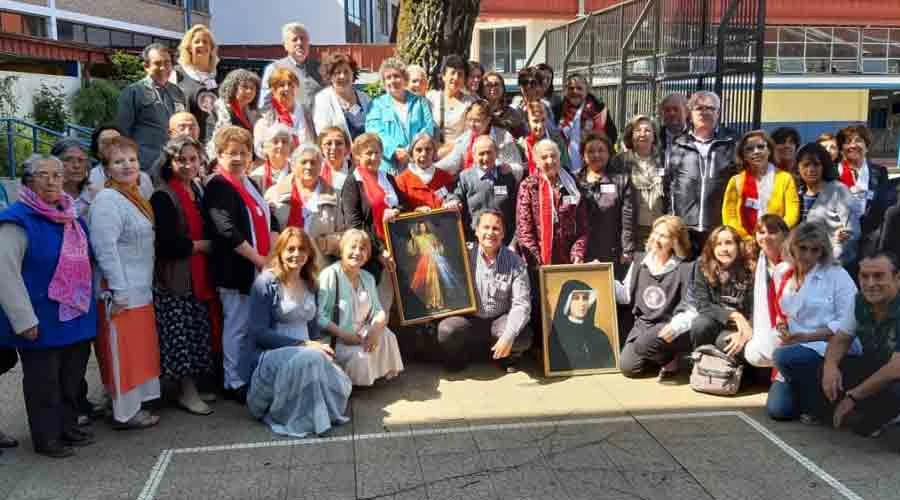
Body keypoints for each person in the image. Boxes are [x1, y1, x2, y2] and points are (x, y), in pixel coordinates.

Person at [0, 154, 97, 457]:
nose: (52, 181)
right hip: (40, 317)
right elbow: (5, 272)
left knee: (71, 377)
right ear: (28, 180)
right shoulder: (17, 220)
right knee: (44, 384)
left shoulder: (70, 215)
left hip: (75, 316)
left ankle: (68, 427)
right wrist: (23, 320)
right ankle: (47, 437)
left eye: (57, 175)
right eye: (43, 175)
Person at [243, 228, 351, 437]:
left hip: (307, 351)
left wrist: (321, 347)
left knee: (335, 375)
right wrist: (305, 345)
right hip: (272, 353)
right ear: (280, 252)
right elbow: (259, 334)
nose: (296, 254)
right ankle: (298, 416)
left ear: (309, 253)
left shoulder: (311, 283)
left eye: (302, 249)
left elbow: (312, 329)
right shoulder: (265, 283)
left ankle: (312, 413)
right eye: (290, 249)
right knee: (311, 357)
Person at [88, 136, 161, 429]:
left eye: (131, 160)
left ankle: (134, 406)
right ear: (106, 169)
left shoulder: (132, 196)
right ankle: (125, 412)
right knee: (122, 354)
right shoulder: (107, 201)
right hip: (120, 293)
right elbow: (105, 249)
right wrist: (118, 291)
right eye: (118, 162)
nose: (127, 166)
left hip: (139, 289)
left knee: (135, 351)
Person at [204, 126, 279, 402]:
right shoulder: (218, 185)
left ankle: (248, 373)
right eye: (231, 153)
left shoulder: (250, 182)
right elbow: (226, 229)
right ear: (219, 155)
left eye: (243, 153)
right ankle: (233, 381)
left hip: (259, 266)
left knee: (252, 325)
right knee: (236, 326)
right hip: (236, 270)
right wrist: (259, 259)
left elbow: (271, 217)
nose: (237, 158)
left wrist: (271, 253)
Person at [793, 251, 900, 437]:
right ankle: (871, 414)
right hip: (879, 367)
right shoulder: (859, 300)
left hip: (894, 373)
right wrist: (830, 367)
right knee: (827, 371)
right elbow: (841, 338)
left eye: (878, 276)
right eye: (864, 276)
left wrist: (853, 396)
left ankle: (883, 415)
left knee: (895, 390)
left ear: (897, 278)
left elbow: (896, 367)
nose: (870, 283)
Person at [149, 136, 215, 416]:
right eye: (181, 160)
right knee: (182, 337)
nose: (188, 165)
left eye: (193, 159)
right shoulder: (163, 195)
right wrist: (200, 246)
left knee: (198, 332)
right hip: (177, 277)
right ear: (170, 162)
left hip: (198, 274)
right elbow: (165, 244)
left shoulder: (197, 189)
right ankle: (186, 392)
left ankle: (195, 387)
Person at [768, 222, 857, 421]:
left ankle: (820, 404)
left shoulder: (837, 275)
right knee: (779, 411)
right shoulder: (781, 272)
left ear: (823, 251)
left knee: (783, 357)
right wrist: (782, 326)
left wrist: (809, 337)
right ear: (792, 247)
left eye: (815, 250)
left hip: (831, 344)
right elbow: (781, 312)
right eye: (803, 248)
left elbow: (849, 320)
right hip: (794, 347)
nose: (808, 255)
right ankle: (812, 396)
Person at [436, 209, 532, 372]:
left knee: (522, 337)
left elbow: (521, 304)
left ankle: (507, 357)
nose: (490, 233)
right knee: (447, 330)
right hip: (469, 319)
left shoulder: (516, 263)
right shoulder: (462, 253)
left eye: (496, 229)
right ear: (476, 231)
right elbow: (436, 249)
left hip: (499, 319)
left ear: (503, 234)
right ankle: (460, 356)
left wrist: (508, 336)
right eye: (485, 227)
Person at [317, 229, 404, 386]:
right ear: (342, 249)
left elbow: (378, 311)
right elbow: (318, 315)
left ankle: (374, 375)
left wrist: (375, 330)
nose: (357, 252)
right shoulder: (329, 275)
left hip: (361, 333)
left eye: (363, 248)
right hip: (337, 338)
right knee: (360, 357)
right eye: (353, 247)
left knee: (387, 335)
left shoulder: (367, 278)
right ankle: (354, 382)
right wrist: (343, 334)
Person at [615, 215, 694, 380]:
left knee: (645, 345)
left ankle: (668, 356)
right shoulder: (639, 261)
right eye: (655, 233)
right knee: (629, 367)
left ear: (675, 242)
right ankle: (664, 360)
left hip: (667, 325)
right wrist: (601, 279)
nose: (656, 239)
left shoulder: (685, 268)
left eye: (664, 236)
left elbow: (692, 308)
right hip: (643, 325)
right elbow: (626, 296)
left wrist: (676, 326)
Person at [341, 133, 407, 310]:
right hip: (369, 258)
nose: (374, 157)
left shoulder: (389, 178)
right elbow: (354, 224)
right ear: (357, 156)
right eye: (368, 153)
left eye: (377, 153)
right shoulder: (353, 182)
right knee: (369, 309)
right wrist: (379, 251)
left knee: (390, 307)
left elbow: (403, 204)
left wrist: (395, 211)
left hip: (394, 250)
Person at [667, 91, 739, 252]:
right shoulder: (679, 143)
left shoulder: (731, 143)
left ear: (718, 113)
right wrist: (672, 220)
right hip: (685, 228)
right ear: (689, 113)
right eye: (699, 108)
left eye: (710, 108)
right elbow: (671, 185)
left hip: (718, 228)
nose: (704, 112)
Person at [266, 144, 344, 269]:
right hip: (282, 268)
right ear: (294, 165)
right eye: (304, 162)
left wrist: (325, 243)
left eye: (313, 162)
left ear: (321, 166)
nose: (309, 166)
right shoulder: (274, 194)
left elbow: (346, 234)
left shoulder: (336, 197)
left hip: (319, 268)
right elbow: (265, 231)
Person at [685, 225, 755, 358]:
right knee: (700, 325)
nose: (724, 249)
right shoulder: (702, 265)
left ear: (738, 245)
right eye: (718, 244)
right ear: (712, 248)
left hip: (740, 328)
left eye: (729, 243)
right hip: (715, 322)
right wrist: (734, 315)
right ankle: (700, 366)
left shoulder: (750, 268)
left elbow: (756, 307)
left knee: (731, 346)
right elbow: (702, 304)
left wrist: (747, 329)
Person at [516, 139, 587, 268]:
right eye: (544, 157)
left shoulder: (572, 184)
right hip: (539, 263)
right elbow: (524, 229)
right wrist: (537, 262)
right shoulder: (529, 186)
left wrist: (577, 253)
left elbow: (583, 225)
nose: (550, 161)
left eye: (553, 156)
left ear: (559, 158)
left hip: (569, 262)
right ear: (536, 162)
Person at [116, 43, 186, 169]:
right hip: (146, 165)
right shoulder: (133, 92)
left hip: (175, 164)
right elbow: (122, 133)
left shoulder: (178, 93)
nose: (163, 67)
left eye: (167, 62)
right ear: (146, 67)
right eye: (158, 63)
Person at [721, 130, 799, 241]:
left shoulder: (785, 178)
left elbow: (792, 213)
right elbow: (729, 216)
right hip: (745, 243)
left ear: (769, 151)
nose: (756, 152)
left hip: (777, 240)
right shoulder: (736, 181)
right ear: (743, 155)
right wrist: (746, 238)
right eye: (749, 149)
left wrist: (773, 233)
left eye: (761, 147)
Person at [365, 57, 435, 174]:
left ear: (405, 79)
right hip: (388, 166)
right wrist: (394, 150)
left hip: (417, 163)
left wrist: (411, 150)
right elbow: (374, 132)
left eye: (397, 76)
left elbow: (427, 128)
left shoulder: (420, 102)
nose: (393, 81)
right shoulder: (376, 104)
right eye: (388, 77)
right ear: (384, 82)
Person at [444, 135, 518, 245]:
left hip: (503, 241)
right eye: (481, 154)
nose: (486, 158)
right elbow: (454, 195)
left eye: (489, 152)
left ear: (496, 153)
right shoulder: (465, 177)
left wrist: (513, 243)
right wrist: (453, 201)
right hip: (474, 241)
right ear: (474, 156)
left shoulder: (506, 177)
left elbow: (516, 211)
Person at [836, 124, 896, 260]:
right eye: (847, 142)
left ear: (866, 145)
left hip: (871, 238)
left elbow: (885, 205)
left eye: (858, 140)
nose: (852, 145)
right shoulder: (834, 172)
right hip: (842, 238)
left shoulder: (879, 172)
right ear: (841, 149)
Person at [577, 132, 635, 265]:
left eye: (601, 150)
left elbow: (628, 220)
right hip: (581, 256)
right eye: (590, 151)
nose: (596, 155)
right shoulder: (573, 182)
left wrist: (626, 249)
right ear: (583, 156)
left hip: (612, 254)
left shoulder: (622, 181)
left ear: (609, 154)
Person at [795, 143, 856, 263]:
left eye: (816, 164)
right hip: (802, 263)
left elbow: (852, 232)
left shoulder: (838, 190)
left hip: (832, 263)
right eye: (806, 165)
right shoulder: (797, 193)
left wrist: (831, 259)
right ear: (798, 167)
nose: (811, 169)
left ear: (824, 166)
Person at [743, 214, 790, 368]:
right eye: (761, 232)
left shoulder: (795, 262)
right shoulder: (753, 261)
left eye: (772, 232)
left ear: (785, 234)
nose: (766, 237)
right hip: (761, 329)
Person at [609, 115, 664, 246]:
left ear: (654, 135)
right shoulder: (620, 161)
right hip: (633, 230)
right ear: (630, 135)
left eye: (647, 130)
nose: (643, 134)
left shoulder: (664, 159)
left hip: (660, 229)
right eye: (638, 130)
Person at [435, 100, 524, 179]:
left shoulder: (504, 137)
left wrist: (506, 168)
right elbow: (453, 161)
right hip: (471, 184)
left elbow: (518, 169)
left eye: (477, 121)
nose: (472, 124)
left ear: (488, 120)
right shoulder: (466, 137)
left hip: (498, 186)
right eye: (469, 120)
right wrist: (432, 169)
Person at [552, 73, 617, 173]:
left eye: (579, 88)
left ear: (586, 90)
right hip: (564, 169)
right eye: (571, 88)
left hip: (592, 168)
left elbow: (612, 136)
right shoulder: (558, 110)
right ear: (565, 90)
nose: (575, 91)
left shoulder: (598, 109)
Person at [549, 280, 615, 371]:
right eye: (576, 298)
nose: (582, 303)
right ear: (567, 302)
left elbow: (609, 366)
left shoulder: (600, 335)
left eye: (585, 298)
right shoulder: (556, 336)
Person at [258, 22, 324, 111]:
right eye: (294, 39)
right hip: (289, 123)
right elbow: (265, 105)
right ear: (285, 45)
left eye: (303, 39)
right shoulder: (275, 68)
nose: (299, 43)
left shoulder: (321, 68)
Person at [173, 25, 219, 144]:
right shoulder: (177, 73)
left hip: (213, 142)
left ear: (211, 48)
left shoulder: (216, 76)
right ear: (189, 47)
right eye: (197, 42)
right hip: (187, 142)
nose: (201, 45)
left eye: (205, 42)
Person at [254, 67, 315, 152]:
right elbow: (259, 149)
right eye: (281, 85)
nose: (287, 88)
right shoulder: (266, 115)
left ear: (296, 87)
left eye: (290, 84)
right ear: (273, 90)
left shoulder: (306, 111)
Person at [312, 53, 371, 141]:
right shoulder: (323, 99)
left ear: (353, 73)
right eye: (337, 73)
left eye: (346, 71)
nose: (342, 76)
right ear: (330, 76)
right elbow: (323, 132)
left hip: (366, 151)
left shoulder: (364, 97)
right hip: (339, 152)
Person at [395, 132, 456, 210]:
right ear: (411, 153)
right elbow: (400, 210)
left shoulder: (446, 178)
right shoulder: (401, 181)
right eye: (418, 150)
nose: (423, 154)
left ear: (434, 153)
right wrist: (415, 211)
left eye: (428, 149)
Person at [427, 55, 477, 146]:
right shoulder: (431, 98)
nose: (456, 78)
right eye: (452, 73)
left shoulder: (470, 103)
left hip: (457, 151)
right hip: (431, 151)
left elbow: (468, 135)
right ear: (443, 76)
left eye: (460, 74)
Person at [209, 69, 261, 156]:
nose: (249, 91)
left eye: (252, 88)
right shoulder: (219, 109)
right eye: (244, 87)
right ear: (233, 88)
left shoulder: (253, 114)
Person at [518, 101, 570, 176]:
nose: (540, 126)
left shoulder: (557, 140)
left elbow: (566, 167)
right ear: (527, 122)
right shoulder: (522, 145)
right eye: (535, 121)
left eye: (543, 120)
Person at [250, 124, 296, 193]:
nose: (280, 145)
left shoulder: (297, 172)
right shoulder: (256, 176)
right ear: (265, 148)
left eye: (284, 142)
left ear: (290, 148)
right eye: (275, 142)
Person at [51, 139, 91, 218]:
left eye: (81, 160)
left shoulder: (96, 196)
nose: (76, 165)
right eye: (68, 160)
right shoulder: (43, 196)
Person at [481, 71, 526, 138]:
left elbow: (523, 137)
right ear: (482, 89)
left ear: (503, 88)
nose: (493, 88)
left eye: (497, 84)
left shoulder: (514, 113)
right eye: (488, 85)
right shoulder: (478, 112)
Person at [658, 93, 688, 166]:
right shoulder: (654, 137)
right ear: (662, 114)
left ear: (686, 112)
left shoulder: (695, 138)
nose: (672, 113)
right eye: (667, 110)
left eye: (676, 109)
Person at [317, 126, 351, 191]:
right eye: (328, 143)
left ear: (346, 147)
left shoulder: (356, 171)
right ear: (321, 148)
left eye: (339, 143)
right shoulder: (316, 171)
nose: (334, 147)